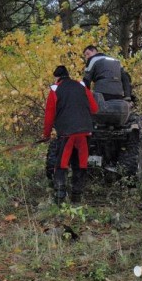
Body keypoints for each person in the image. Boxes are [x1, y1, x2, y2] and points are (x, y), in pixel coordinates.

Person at [43, 65, 98, 205]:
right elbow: (94, 108)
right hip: (85, 132)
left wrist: (46, 135)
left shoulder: (55, 89)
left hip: (67, 133)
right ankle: (76, 197)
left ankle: (60, 196)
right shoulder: (81, 86)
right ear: (68, 75)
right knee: (81, 164)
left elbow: (49, 116)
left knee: (61, 163)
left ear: (56, 77)